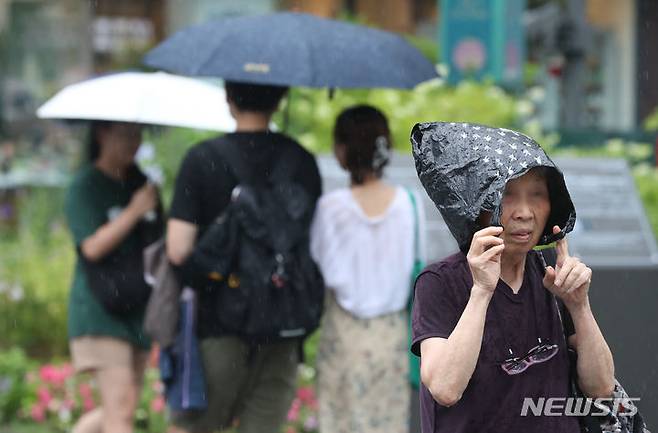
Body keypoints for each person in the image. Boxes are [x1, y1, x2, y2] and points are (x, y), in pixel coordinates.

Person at [410, 122, 615, 433]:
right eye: (507, 195)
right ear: (479, 204)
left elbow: (601, 389)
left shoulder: (552, 272)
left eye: (537, 195)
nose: (524, 212)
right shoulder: (441, 281)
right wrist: (481, 290)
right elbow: (444, 388)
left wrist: (578, 305)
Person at [166, 81, 322, 433]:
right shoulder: (301, 162)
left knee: (197, 427)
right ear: (281, 98)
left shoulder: (201, 159)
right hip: (283, 324)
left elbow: (177, 248)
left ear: (228, 98)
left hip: (219, 324)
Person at [310, 105, 426, 433]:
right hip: (391, 337)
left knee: (340, 421)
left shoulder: (330, 208)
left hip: (342, 334)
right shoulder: (410, 203)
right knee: (387, 423)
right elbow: (418, 265)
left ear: (343, 150)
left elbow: (321, 269)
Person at [65, 121, 162, 433]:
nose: (134, 142)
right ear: (102, 134)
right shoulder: (85, 186)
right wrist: (133, 211)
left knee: (122, 409)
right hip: (99, 309)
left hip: (136, 308)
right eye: (126, 134)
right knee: (120, 412)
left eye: (138, 134)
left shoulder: (141, 183)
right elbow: (91, 247)